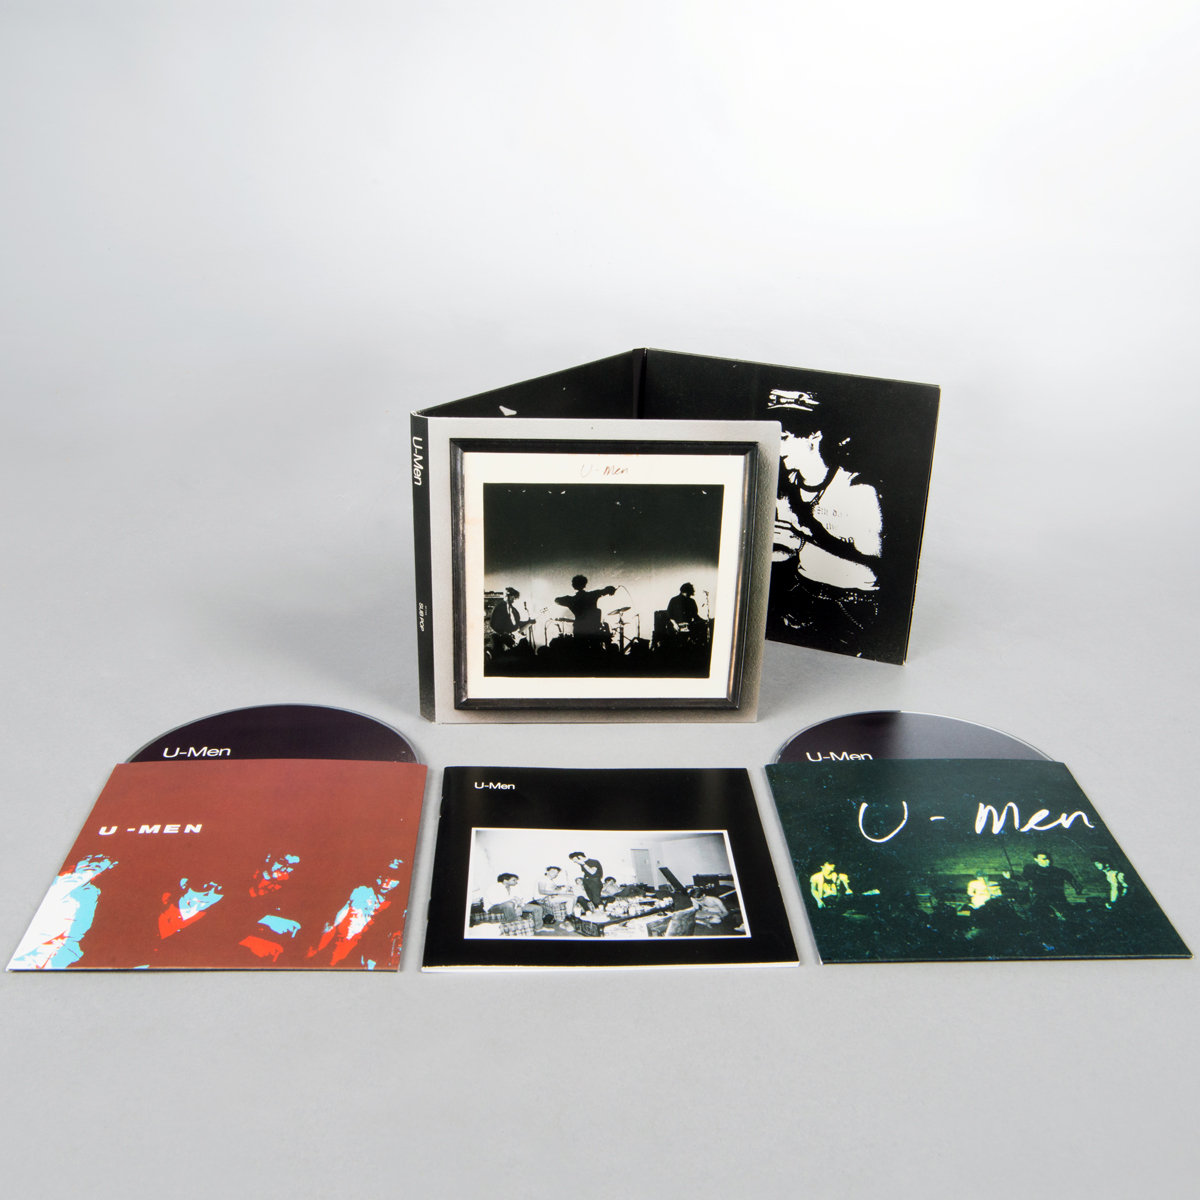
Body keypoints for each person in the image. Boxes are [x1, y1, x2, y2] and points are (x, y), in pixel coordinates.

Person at [767, 389, 883, 652]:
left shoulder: (860, 490)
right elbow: (788, 554)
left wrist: (799, 544)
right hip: (801, 599)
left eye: (783, 437)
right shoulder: (785, 488)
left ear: (814, 435)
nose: (776, 446)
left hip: (851, 609)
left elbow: (873, 572)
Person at [9, 853, 117, 969]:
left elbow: (76, 934)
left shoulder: (92, 892)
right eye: (87, 859)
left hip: (54, 956)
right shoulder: (60, 881)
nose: (92, 864)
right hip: (28, 951)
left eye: (100, 862)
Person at [1021, 852, 1081, 921]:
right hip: (1040, 899)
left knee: (1067, 916)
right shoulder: (1031, 870)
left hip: (1057, 899)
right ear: (1036, 859)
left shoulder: (1059, 871)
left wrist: (1077, 889)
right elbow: (1023, 878)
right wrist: (1012, 877)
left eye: (1049, 859)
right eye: (1044, 859)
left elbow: (1074, 881)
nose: (1048, 861)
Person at [554, 575, 616, 641]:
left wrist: (566, 598)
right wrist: (611, 590)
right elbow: (607, 590)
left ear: (573, 585)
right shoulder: (592, 595)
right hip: (593, 629)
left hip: (579, 629)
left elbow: (557, 600)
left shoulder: (571, 600)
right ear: (584, 584)